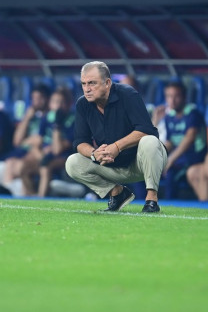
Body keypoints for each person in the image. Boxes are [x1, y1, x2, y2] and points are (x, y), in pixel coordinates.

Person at [66, 61, 167, 213]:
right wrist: (94, 154)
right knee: (72, 162)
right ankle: (117, 193)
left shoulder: (128, 94)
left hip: (142, 163)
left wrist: (117, 147)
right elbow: (80, 142)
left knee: (150, 141)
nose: (87, 89)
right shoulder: (83, 104)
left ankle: (151, 200)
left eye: (92, 83)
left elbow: (147, 130)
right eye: (84, 84)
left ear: (107, 83)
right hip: (112, 166)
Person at [21, 87, 76, 197]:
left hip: (65, 158)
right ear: (50, 104)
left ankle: (41, 199)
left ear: (69, 104)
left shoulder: (73, 120)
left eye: (62, 103)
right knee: (25, 168)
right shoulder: (46, 118)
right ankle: (30, 197)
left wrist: (57, 125)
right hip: (46, 156)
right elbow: (38, 143)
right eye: (55, 102)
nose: (58, 106)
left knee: (45, 167)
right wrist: (41, 156)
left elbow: (58, 150)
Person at [157, 81, 207, 200]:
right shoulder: (169, 117)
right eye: (169, 96)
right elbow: (169, 142)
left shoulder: (193, 113)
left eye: (176, 96)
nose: (172, 100)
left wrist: (170, 160)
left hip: (194, 159)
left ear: (184, 97)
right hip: (179, 160)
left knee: (170, 173)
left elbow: (189, 139)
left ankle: (170, 206)